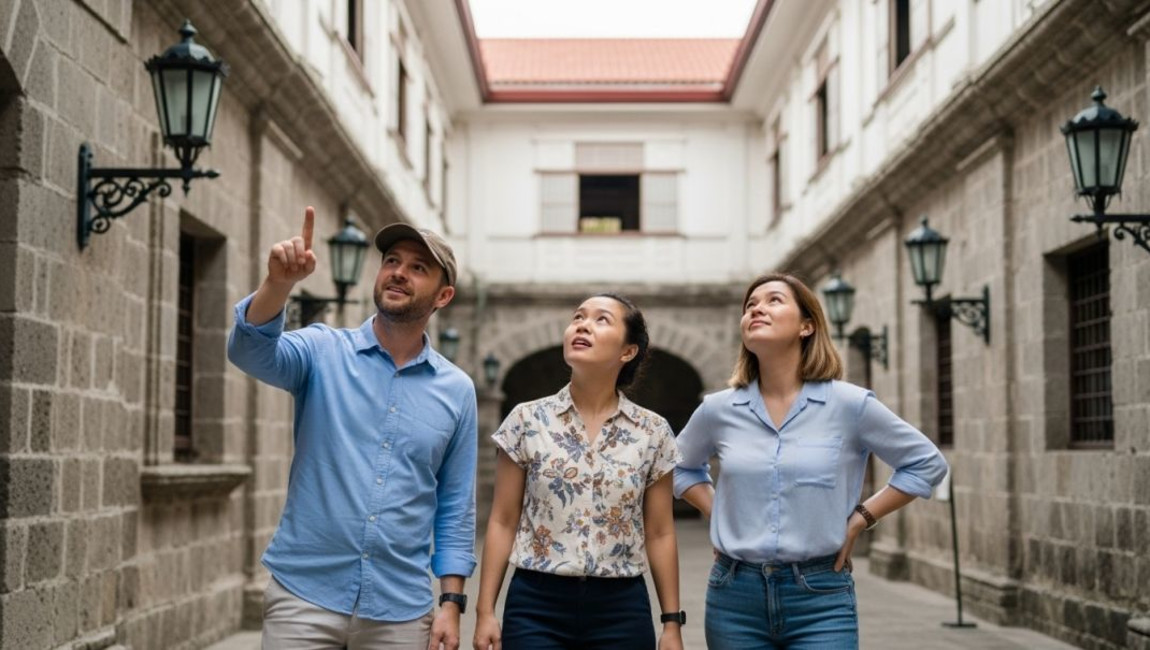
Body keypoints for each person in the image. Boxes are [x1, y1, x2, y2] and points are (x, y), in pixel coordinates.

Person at [228, 207, 478, 650]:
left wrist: (452, 604)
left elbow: (455, 505)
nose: (399, 273)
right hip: (304, 596)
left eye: (418, 268)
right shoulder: (323, 349)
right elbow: (251, 352)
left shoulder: (457, 390)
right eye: (392, 261)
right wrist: (278, 285)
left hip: (401, 610)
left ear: (443, 297)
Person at [674, 272, 949, 649]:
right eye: (750, 305)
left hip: (821, 595)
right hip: (734, 596)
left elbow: (925, 462)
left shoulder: (850, 404)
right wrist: (717, 509)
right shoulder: (719, 410)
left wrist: (862, 518)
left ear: (807, 326)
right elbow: (676, 465)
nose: (757, 309)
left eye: (773, 300)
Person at [472, 294, 685, 650]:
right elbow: (503, 520)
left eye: (602, 320)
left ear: (627, 351)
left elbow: (660, 532)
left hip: (621, 606)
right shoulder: (527, 420)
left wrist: (672, 624)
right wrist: (485, 612)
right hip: (536, 603)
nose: (582, 325)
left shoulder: (653, 431)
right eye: (578, 317)